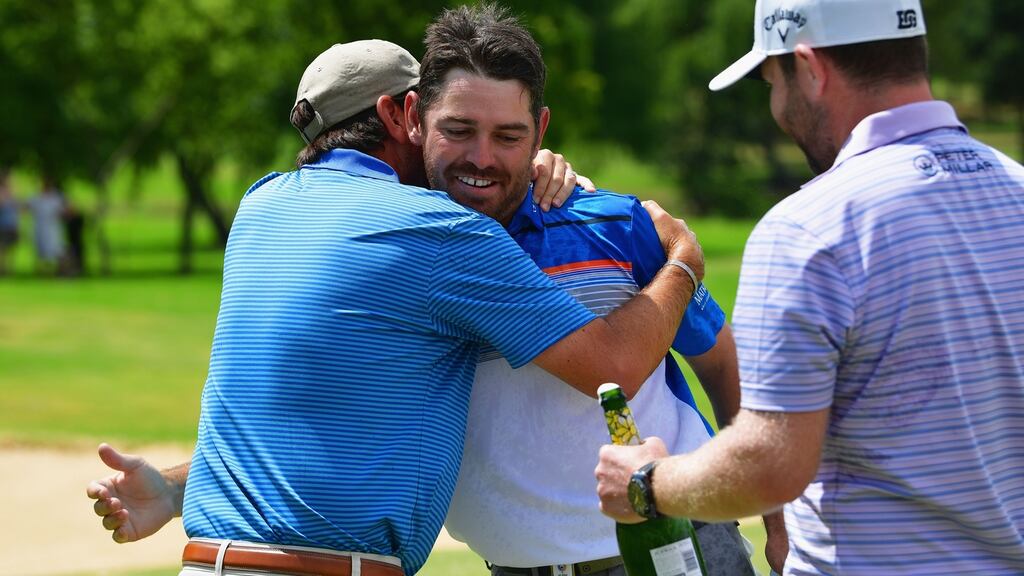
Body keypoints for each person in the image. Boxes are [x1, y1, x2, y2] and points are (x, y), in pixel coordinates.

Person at [89, 33, 704, 576]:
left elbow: (326, 421)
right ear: (403, 115)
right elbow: (613, 368)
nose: (463, 147)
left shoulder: (263, 210)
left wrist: (173, 490)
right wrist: (680, 260)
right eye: (446, 122)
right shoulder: (436, 232)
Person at [594, 0, 1024, 575]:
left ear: (811, 68)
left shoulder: (809, 227)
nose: (777, 106)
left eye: (773, 81)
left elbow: (770, 467)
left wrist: (646, 483)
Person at [406, 6, 774, 575]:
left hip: (674, 548)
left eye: (509, 136)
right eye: (458, 130)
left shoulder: (616, 225)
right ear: (414, 117)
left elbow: (720, 360)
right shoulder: (389, 251)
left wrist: (775, 517)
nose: (481, 158)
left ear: (541, 132)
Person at [27, 176, 66, 274]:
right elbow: (26, 207)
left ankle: (59, 270)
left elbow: (64, 211)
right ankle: (43, 271)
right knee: (41, 251)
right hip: (40, 227)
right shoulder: (37, 197)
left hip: (53, 228)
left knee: (56, 249)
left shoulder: (56, 197)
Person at [0, 169, 19, 275]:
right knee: (2, 248)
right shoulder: (2, 192)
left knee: (11, 248)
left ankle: (9, 269)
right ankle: (2, 269)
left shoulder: (13, 192)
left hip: (12, 224)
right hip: (2, 225)